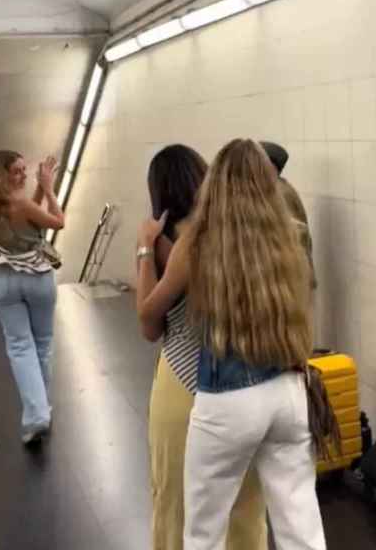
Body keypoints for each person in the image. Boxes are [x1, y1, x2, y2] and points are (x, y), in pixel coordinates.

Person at [136, 139, 327, 550]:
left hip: (225, 396)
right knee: (297, 523)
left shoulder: (202, 241)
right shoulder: (287, 235)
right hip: (288, 389)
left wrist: (145, 248)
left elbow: (149, 319)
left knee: (202, 528)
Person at [139, 144, 268, 550]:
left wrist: (144, 249)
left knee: (177, 502)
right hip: (247, 383)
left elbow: (149, 324)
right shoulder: (241, 232)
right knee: (245, 506)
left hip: (183, 385)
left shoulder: (168, 244)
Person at [0, 150, 65, 444]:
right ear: (2, 174)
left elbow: (27, 219)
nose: (22, 175)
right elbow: (57, 222)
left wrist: (36, 191)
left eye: (24, 170)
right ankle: (40, 413)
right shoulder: (20, 204)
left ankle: (36, 416)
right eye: (16, 171)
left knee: (20, 347)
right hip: (38, 280)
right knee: (42, 343)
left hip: (4, 281)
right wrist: (48, 188)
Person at [260, 141, 315, 289]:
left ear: (270, 167)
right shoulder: (272, 190)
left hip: (290, 281)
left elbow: (297, 238)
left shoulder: (280, 193)